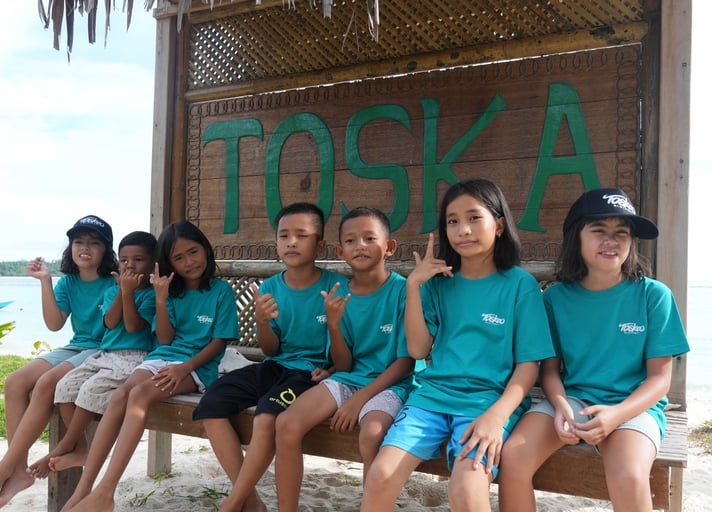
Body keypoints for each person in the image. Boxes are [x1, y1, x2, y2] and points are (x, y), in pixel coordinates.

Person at [361, 179, 555, 512]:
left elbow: (528, 367)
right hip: (431, 399)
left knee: (466, 491)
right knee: (380, 476)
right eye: (452, 221)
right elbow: (418, 351)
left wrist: (496, 417)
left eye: (474, 218)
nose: (463, 229)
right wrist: (413, 287)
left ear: (499, 225)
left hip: (487, 403)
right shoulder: (437, 284)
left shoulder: (519, 285)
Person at [499, 188, 690, 512]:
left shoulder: (653, 296)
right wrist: (561, 406)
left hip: (633, 407)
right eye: (599, 230)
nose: (611, 241)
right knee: (513, 457)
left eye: (622, 233)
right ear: (577, 237)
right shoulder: (555, 298)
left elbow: (660, 379)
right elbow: (549, 371)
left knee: (629, 476)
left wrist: (617, 415)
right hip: (573, 401)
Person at [62, 220, 238, 512]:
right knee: (120, 394)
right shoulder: (169, 290)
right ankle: (84, 489)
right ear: (168, 262)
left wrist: (184, 368)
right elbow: (165, 339)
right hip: (162, 355)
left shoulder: (221, 292)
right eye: (178, 257)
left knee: (139, 395)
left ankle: (106, 492)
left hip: (197, 366)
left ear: (206, 250)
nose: (188, 262)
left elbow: (218, 344)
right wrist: (161, 297)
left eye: (193, 252)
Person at [191, 202, 343, 512]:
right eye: (284, 235)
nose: (291, 242)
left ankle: (233, 503)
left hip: (309, 376)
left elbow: (343, 349)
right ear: (275, 242)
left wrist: (332, 369)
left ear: (320, 245)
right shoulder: (271, 287)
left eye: (301, 235)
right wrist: (261, 320)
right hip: (274, 366)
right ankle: (251, 502)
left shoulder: (335, 287)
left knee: (266, 416)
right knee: (211, 404)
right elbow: (271, 350)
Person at [0, 215, 117, 512]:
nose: (85, 247)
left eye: (94, 242)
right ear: (70, 247)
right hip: (77, 345)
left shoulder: (113, 281)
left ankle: (0, 472)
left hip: (104, 348)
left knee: (47, 383)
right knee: (15, 382)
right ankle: (18, 469)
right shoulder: (68, 282)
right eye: (78, 241)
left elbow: (114, 326)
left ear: (106, 250)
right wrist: (45, 281)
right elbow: (54, 324)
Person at [275, 206, 414, 512]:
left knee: (372, 434)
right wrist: (335, 325)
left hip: (393, 383)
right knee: (286, 423)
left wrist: (359, 400)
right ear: (340, 251)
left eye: (369, 238)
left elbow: (406, 363)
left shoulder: (403, 291)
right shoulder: (341, 295)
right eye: (350, 241)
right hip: (350, 378)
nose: (359, 246)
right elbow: (345, 365)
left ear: (390, 247)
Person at [27, 231, 158, 477]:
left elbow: (132, 326)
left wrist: (128, 293)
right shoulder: (112, 291)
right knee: (65, 387)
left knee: (89, 390)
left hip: (135, 356)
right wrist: (122, 291)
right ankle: (81, 447)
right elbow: (110, 321)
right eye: (124, 260)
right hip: (107, 354)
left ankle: (64, 445)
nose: (130, 265)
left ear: (152, 264)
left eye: (138, 260)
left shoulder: (152, 295)